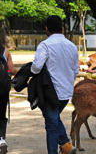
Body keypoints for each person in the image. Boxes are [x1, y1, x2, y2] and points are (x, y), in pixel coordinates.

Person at [30, 15, 79, 154]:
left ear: (46, 29)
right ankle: (65, 144)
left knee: (51, 124)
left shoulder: (45, 45)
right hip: (66, 91)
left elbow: (36, 68)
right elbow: (75, 70)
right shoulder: (72, 46)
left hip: (50, 92)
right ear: (62, 28)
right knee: (54, 118)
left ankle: (57, 149)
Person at [0, 44, 14, 154]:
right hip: (2, 89)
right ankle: (1, 139)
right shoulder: (5, 51)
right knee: (1, 113)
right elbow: (11, 70)